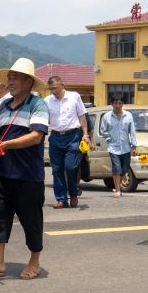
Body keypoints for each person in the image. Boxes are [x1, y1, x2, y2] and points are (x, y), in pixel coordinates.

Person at [0, 58, 50, 280]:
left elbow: (36, 137)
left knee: (31, 220)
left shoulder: (38, 105)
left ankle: (34, 262)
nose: (10, 82)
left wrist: (4, 146)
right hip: (2, 173)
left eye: (15, 78)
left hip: (28, 175)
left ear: (28, 82)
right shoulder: (3, 106)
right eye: (10, 78)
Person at [45, 76, 94, 209]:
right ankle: (61, 199)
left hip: (72, 136)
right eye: (51, 89)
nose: (53, 91)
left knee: (70, 167)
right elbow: (43, 118)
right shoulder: (47, 100)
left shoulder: (74, 96)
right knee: (57, 170)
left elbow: (82, 116)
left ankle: (73, 193)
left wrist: (85, 134)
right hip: (55, 137)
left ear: (62, 85)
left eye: (55, 88)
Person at [101, 96, 136, 197]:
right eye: (115, 103)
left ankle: (117, 186)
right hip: (113, 147)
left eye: (120, 103)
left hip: (126, 147)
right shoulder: (107, 116)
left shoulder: (128, 115)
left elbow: (132, 131)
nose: (117, 105)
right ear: (112, 104)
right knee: (117, 168)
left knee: (125, 169)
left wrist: (134, 145)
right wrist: (109, 139)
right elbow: (103, 130)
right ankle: (117, 190)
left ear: (122, 104)